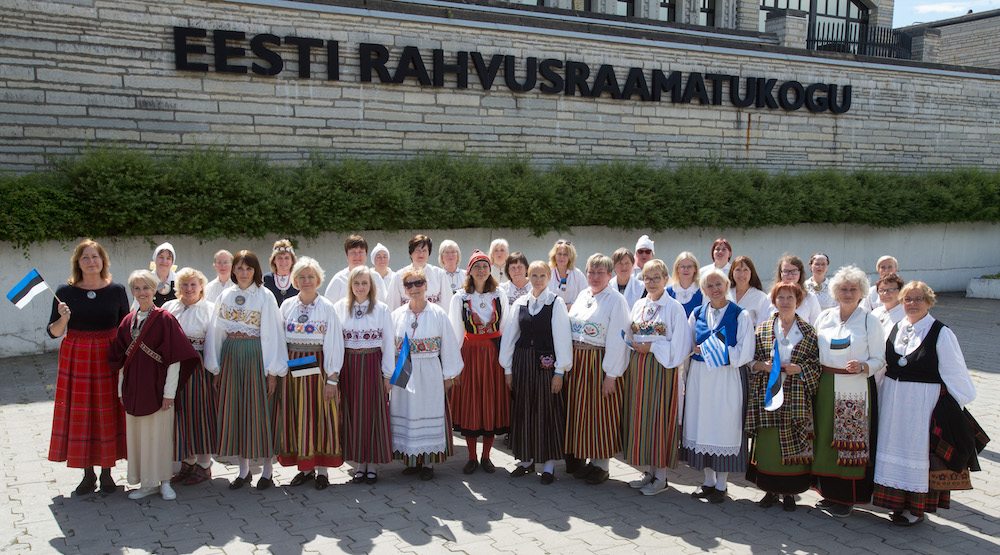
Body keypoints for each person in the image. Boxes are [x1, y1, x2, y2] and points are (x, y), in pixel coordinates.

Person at [873, 281, 979, 526]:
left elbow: (956, 373)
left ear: (929, 302)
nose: (912, 304)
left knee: (918, 453)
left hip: (922, 405)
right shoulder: (896, 327)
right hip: (893, 403)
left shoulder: (941, 333)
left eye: (918, 299)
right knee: (892, 448)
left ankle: (916, 510)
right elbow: (885, 366)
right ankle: (896, 502)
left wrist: (950, 410)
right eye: (908, 299)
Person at [47, 239, 129, 495]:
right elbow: (53, 332)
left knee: (107, 412)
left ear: (103, 261)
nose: (91, 261)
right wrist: (64, 318)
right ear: (78, 263)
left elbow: (124, 326)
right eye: (85, 257)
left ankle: (107, 474)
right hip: (77, 355)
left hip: (108, 355)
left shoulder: (116, 289)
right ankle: (87, 475)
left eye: (95, 257)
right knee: (82, 414)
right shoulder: (65, 291)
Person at [110, 270, 200, 500]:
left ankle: (165, 481)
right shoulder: (127, 321)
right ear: (132, 292)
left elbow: (175, 358)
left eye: (146, 288)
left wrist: (169, 393)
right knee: (139, 437)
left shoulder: (165, 319)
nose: (142, 292)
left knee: (160, 436)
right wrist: (122, 390)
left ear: (154, 290)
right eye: (137, 288)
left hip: (158, 387)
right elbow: (121, 360)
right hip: (134, 387)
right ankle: (146, 483)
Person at [204, 250, 288, 490]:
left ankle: (268, 471)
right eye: (239, 268)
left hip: (256, 357)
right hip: (231, 357)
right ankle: (243, 471)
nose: (243, 273)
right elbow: (217, 332)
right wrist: (216, 367)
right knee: (237, 412)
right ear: (233, 270)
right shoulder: (226, 295)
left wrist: (272, 371)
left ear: (256, 271)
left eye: (248, 268)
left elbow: (273, 334)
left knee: (260, 412)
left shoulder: (265, 296)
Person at [812, 265, 886, 517]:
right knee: (825, 439)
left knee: (849, 443)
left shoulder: (869, 320)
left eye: (853, 289)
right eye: (843, 288)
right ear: (835, 291)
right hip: (826, 385)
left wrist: (864, 366)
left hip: (854, 389)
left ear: (862, 292)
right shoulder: (825, 317)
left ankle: (847, 497)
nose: (848, 293)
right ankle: (829, 493)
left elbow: (880, 359)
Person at [746, 282, 821, 512]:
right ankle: (770, 491)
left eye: (790, 297)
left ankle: (789, 494)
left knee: (795, 444)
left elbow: (817, 365)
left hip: (797, 396)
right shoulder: (763, 329)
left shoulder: (808, 331)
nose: (785, 302)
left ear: (798, 301)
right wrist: (764, 366)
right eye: (781, 298)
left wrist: (800, 369)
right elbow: (750, 361)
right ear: (774, 301)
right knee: (770, 446)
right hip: (769, 394)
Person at [681, 270, 754, 504]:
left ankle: (722, 484)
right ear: (703, 290)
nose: (715, 289)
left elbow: (745, 351)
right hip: (701, 378)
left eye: (719, 284)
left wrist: (716, 352)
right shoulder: (697, 313)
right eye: (710, 285)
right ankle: (708, 481)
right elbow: (688, 343)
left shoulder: (739, 315)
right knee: (702, 424)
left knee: (723, 425)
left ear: (727, 284)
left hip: (726, 377)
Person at [499, 260, 572, 485]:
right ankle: (526, 461)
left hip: (546, 363)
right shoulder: (521, 302)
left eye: (542, 275)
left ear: (548, 277)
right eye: (534, 275)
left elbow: (562, 338)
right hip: (522, 361)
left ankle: (548, 464)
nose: (538, 279)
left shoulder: (555, 303)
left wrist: (560, 371)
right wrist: (508, 368)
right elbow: (511, 335)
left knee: (546, 410)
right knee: (523, 408)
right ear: (528, 277)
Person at [622, 259, 691, 495]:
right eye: (646, 278)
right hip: (640, 369)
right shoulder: (639, 304)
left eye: (656, 278)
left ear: (666, 279)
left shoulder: (674, 307)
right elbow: (632, 331)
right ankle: (650, 472)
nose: (650, 283)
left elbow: (681, 345)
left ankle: (661, 477)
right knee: (643, 419)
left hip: (661, 371)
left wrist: (651, 348)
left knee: (659, 419)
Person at [389, 267, 464, 481]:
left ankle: (428, 462)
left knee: (427, 410)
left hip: (429, 369)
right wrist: (391, 374)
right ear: (404, 289)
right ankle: (410, 460)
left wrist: (449, 374)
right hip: (404, 368)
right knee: (406, 411)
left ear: (426, 285)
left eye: (418, 283)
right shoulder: (397, 315)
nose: (414, 288)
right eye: (409, 285)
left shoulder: (438, 313)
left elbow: (449, 344)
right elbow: (391, 348)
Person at [277, 257, 344, 490]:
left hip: (318, 366)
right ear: (295, 280)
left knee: (320, 415)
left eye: (311, 277)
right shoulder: (286, 306)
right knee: (299, 416)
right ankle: (305, 469)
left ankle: (323, 471)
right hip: (294, 366)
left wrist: (332, 379)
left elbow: (334, 344)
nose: (306, 281)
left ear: (318, 280)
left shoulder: (326, 307)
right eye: (302, 277)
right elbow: (279, 342)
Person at [565, 254, 630, 485]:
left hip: (598, 362)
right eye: (591, 271)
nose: (594, 276)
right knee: (582, 413)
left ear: (610, 275)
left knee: (601, 413)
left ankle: (602, 466)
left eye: (600, 272)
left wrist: (611, 375)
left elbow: (618, 339)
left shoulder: (616, 300)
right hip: (578, 362)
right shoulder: (583, 295)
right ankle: (587, 461)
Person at [448, 250, 510, 474]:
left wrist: (506, 362)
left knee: (490, 403)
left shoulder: (499, 294)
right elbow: (455, 332)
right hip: (470, 354)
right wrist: (454, 367)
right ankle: (472, 456)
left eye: (485, 266)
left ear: (490, 270)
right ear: (470, 271)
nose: (481, 270)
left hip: (493, 354)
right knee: (472, 402)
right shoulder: (460, 297)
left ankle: (487, 456)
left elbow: (506, 327)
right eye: (477, 267)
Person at [335, 266, 395, 485]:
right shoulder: (340, 308)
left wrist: (388, 375)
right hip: (349, 366)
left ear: (371, 286)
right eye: (356, 283)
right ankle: (359, 464)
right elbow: (335, 342)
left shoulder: (381, 309)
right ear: (350, 285)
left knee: (372, 414)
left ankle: (372, 464)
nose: (360, 287)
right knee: (352, 413)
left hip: (372, 364)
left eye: (365, 283)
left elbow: (389, 344)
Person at [162, 268, 217, 486]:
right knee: (180, 415)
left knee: (200, 414)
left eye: (193, 284)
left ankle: (204, 466)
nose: (189, 289)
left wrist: (214, 372)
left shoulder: (210, 309)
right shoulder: (169, 307)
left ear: (202, 286)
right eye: (184, 284)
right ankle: (188, 462)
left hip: (198, 366)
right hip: (173, 367)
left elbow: (214, 342)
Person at [386, 235, 452, 311]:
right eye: (417, 251)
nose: (421, 254)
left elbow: (447, 304)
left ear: (429, 253)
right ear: (411, 253)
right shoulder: (398, 276)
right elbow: (392, 306)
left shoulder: (440, 274)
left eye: (424, 250)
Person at [323, 235, 386, 303]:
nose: (357, 256)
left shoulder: (376, 277)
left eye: (360, 252)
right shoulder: (339, 279)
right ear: (347, 255)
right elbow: (328, 308)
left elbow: (383, 304)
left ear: (366, 254)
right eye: (353, 252)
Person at [769, 254, 822, 325]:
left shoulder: (810, 298)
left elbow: (817, 327)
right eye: (786, 271)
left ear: (800, 273)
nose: (790, 275)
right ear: (780, 273)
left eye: (794, 271)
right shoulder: (770, 297)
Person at [727, 255, 770, 328]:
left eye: (745, 270)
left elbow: (764, 323)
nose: (742, 274)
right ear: (732, 272)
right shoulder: (725, 294)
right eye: (738, 270)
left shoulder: (760, 296)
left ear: (751, 273)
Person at [546, 239, 586, 311]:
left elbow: (586, 296)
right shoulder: (547, 272)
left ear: (570, 257)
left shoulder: (577, 274)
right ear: (554, 255)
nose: (562, 257)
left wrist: (574, 306)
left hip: (572, 314)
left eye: (565, 255)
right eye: (559, 254)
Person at [262, 239, 298, 307]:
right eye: (279, 258)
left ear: (292, 260)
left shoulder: (298, 279)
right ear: (274, 260)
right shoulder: (267, 279)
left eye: (287, 258)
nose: (283, 261)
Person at [667, 252, 703, 317]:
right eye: (682, 267)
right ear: (677, 269)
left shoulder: (703, 292)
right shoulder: (667, 292)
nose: (686, 269)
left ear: (695, 269)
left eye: (689, 267)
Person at [872, 274, 906, 343]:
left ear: (900, 291)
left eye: (890, 290)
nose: (885, 293)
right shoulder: (875, 312)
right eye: (881, 290)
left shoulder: (906, 314)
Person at [151, 242, 178, 307]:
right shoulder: (147, 280)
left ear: (172, 261)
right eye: (161, 257)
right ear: (155, 258)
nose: (164, 261)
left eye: (168, 258)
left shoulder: (178, 281)